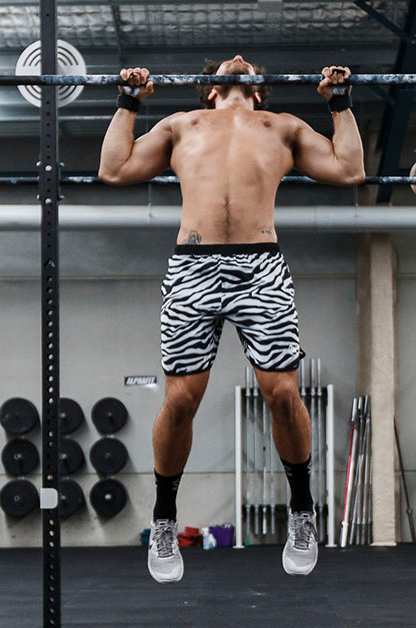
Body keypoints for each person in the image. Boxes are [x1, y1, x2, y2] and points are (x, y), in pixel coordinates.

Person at [98, 55, 365, 583]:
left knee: (284, 394)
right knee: (179, 402)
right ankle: (166, 518)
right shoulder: (181, 125)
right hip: (192, 268)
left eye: (249, 63)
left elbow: (349, 168)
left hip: (260, 267)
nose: (239, 59)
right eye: (229, 61)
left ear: (261, 90)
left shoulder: (281, 126)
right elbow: (113, 168)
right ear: (208, 89)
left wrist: (340, 103)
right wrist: (129, 103)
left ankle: (302, 510)